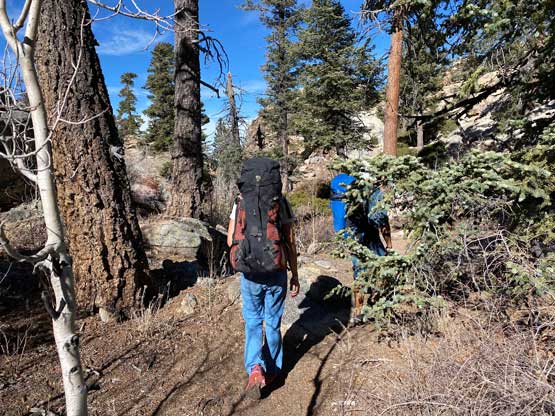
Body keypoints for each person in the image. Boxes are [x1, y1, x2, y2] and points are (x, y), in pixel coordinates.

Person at [227, 157, 300, 400]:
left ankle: (254, 367)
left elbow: (230, 240)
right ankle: (272, 370)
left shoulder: (240, 202)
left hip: (249, 273)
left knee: (253, 322)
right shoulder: (281, 203)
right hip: (276, 271)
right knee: (273, 322)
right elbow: (290, 242)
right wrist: (295, 274)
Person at [330, 173, 392, 323]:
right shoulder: (374, 192)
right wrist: (389, 245)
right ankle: (377, 305)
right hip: (369, 234)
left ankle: (358, 310)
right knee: (380, 265)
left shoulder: (343, 188)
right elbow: (382, 221)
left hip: (352, 236)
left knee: (359, 269)